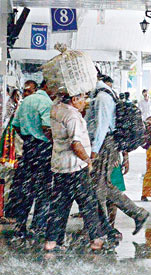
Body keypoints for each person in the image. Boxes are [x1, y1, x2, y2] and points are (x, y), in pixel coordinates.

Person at [86, 75, 149, 239]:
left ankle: (106, 226)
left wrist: (93, 151)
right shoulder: (103, 94)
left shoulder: (102, 97)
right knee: (101, 186)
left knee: (99, 187)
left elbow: (101, 127)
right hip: (106, 144)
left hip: (104, 144)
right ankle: (108, 225)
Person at [44, 92, 105, 253]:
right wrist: (88, 160)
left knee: (59, 205)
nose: (85, 101)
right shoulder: (72, 116)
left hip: (59, 166)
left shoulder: (56, 109)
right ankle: (96, 240)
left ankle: (52, 241)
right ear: (74, 99)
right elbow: (76, 144)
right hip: (76, 167)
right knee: (88, 204)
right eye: (83, 98)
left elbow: (49, 133)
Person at [8, 79, 54, 239]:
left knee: (25, 189)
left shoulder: (26, 101)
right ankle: (38, 226)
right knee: (43, 190)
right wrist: (52, 142)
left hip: (28, 149)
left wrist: (28, 138)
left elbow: (15, 125)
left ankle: (20, 225)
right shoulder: (46, 102)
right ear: (47, 86)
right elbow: (47, 128)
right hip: (43, 150)